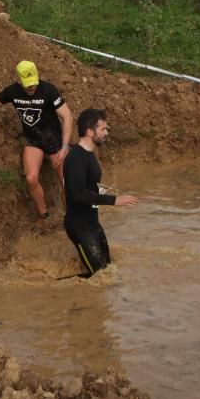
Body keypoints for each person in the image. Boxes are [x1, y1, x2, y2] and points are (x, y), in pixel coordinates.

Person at [0, 61, 73, 222]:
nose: (31, 88)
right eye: (27, 85)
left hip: (55, 140)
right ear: (19, 80)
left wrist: (64, 147)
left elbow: (67, 117)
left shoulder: (48, 90)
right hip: (33, 140)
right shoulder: (12, 91)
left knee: (67, 183)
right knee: (31, 178)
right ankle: (44, 216)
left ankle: (72, 215)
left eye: (33, 83)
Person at [64, 108, 138, 277]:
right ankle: (51, 293)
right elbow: (78, 193)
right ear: (90, 132)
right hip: (79, 226)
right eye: (103, 129)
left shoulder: (89, 154)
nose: (107, 132)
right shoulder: (76, 157)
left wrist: (106, 196)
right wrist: (114, 200)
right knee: (97, 276)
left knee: (108, 270)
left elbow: (91, 186)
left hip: (92, 223)